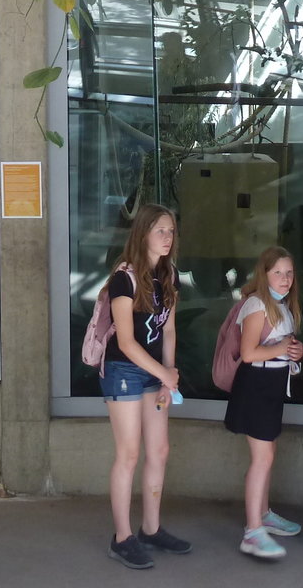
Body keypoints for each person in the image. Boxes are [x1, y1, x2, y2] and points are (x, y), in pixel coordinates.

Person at [102, 204, 192, 569]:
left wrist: (167, 374)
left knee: (159, 450)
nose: (167, 238)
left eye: (171, 231)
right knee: (129, 453)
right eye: (160, 231)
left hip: (154, 371)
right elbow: (125, 341)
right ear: (142, 234)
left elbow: (168, 329)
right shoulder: (123, 279)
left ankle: (151, 529)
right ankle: (122, 537)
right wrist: (164, 373)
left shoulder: (168, 276)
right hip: (124, 370)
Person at [224, 245, 303, 560]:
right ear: (265, 274)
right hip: (256, 386)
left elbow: (280, 349)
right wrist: (281, 348)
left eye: (289, 273)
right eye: (278, 273)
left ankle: (263, 514)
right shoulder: (257, 304)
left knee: (268, 454)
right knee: (262, 458)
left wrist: (294, 354)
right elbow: (249, 354)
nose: (285, 278)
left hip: (271, 384)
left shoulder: (282, 305)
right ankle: (253, 530)